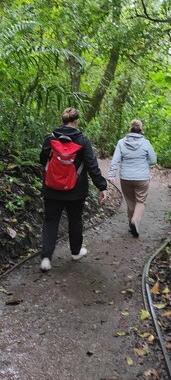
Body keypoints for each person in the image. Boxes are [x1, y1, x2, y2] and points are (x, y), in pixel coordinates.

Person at [39, 107, 107, 271]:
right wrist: (102, 187)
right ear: (76, 121)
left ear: (62, 120)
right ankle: (76, 252)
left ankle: (46, 258)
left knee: (51, 221)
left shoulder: (50, 139)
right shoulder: (82, 141)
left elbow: (43, 160)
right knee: (75, 220)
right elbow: (92, 166)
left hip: (52, 188)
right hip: (75, 191)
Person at [108, 119, 156, 238]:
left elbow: (115, 160)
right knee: (140, 201)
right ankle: (135, 220)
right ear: (141, 129)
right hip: (142, 178)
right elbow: (153, 160)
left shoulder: (121, 142)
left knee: (130, 202)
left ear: (130, 128)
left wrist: (111, 175)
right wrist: (144, 163)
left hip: (126, 177)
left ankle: (131, 224)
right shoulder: (145, 143)